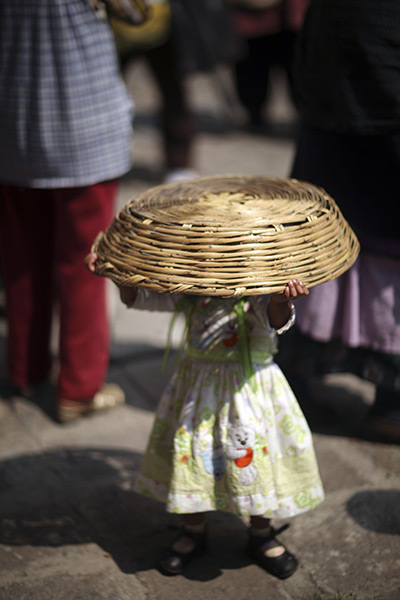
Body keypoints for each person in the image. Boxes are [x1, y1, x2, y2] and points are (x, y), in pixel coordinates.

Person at [86, 249, 324, 578]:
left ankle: (260, 532)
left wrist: (282, 299)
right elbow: (141, 298)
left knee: (255, 460)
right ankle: (193, 531)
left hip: (248, 395)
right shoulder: (190, 292)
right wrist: (117, 273)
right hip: (197, 394)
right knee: (192, 456)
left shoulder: (254, 293)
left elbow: (275, 318)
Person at [0, 0, 134, 423]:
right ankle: (78, 387)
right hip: (83, 124)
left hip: (11, 118)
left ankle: (26, 370)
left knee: (21, 259)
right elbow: (137, 12)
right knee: (86, 265)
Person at [281, 0, 400, 442]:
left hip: (336, 67)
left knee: (329, 233)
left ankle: (296, 380)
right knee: (337, 240)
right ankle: (392, 400)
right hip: (371, 79)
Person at [227, 0, 309, 131]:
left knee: (299, 66)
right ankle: (254, 114)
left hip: (294, 15)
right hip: (254, 13)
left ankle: (305, 116)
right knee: (252, 66)